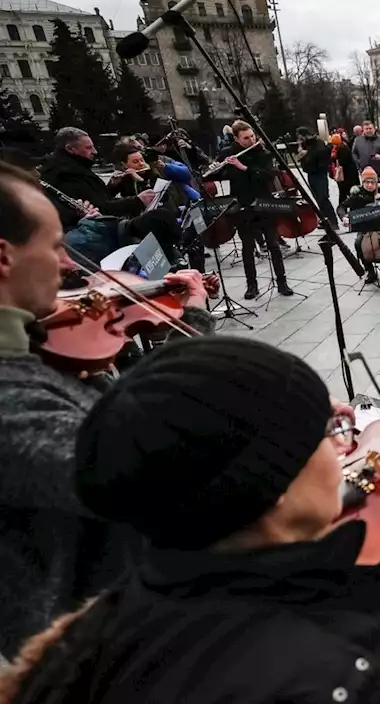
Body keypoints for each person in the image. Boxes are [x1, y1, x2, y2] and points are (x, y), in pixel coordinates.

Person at [0, 333, 380, 704]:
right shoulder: (364, 674)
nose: (350, 445)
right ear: (270, 484)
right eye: (331, 434)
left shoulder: (106, 626)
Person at [0, 161, 213, 659]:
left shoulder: (35, 348)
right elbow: (145, 459)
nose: (71, 266)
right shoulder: (13, 396)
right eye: (54, 247)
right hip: (87, 657)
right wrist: (194, 326)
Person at [209, 120, 291, 299]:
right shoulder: (227, 153)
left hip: (263, 202)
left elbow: (269, 175)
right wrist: (216, 169)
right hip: (242, 205)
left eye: (252, 136)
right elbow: (217, 175)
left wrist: (243, 167)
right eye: (246, 138)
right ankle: (251, 286)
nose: (251, 140)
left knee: (273, 245)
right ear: (237, 139)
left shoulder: (262, 152)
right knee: (247, 247)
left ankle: (282, 282)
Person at [39, 127, 158, 230]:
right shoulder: (66, 173)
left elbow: (98, 196)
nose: (94, 152)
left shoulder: (74, 167)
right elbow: (100, 208)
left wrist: (112, 186)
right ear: (70, 149)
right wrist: (137, 201)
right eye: (88, 148)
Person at [298, 127, 336, 223]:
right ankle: (324, 219)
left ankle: (332, 220)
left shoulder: (318, 142)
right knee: (318, 198)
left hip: (320, 173)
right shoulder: (305, 145)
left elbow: (321, 154)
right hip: (311, 173)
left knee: (323, 197)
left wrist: (306, 154)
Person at [352, 121, 380, 191]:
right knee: (368, 195)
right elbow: (354, 153)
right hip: (365, 173)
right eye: (366, 129)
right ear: (363, 130)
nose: (368, 131)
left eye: (370, 128)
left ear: (374, 129)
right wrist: (359, 162)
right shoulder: (358, 140)